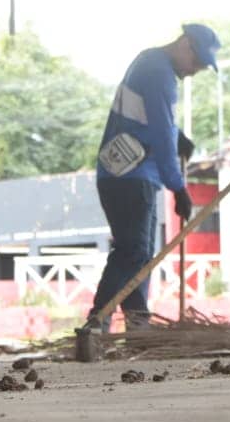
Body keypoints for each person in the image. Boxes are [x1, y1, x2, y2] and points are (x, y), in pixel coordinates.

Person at [83, 24, 219, 331]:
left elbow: (155, 122)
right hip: (133, 176)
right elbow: (159, 132)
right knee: (134, 252)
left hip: (119, 175)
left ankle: (138, 324)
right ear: (185, 45)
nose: (196, 71)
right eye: (197, 62)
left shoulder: (149, 63)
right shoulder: (160, 74)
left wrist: (178, 135)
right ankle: (97, 322)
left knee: (138, 253)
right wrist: (179, 188)